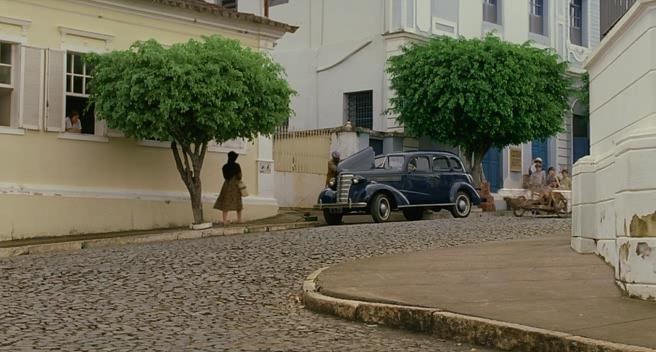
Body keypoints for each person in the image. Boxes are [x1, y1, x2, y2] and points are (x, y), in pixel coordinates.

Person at [214, 151, 243, 225]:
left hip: (226, 185)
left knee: (225, 202)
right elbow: (239, 176)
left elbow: (225, 176)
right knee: (238, 202)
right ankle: (239, 219)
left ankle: (224, 220)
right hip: (235, 185)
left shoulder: (224, 166)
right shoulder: (237, 165)